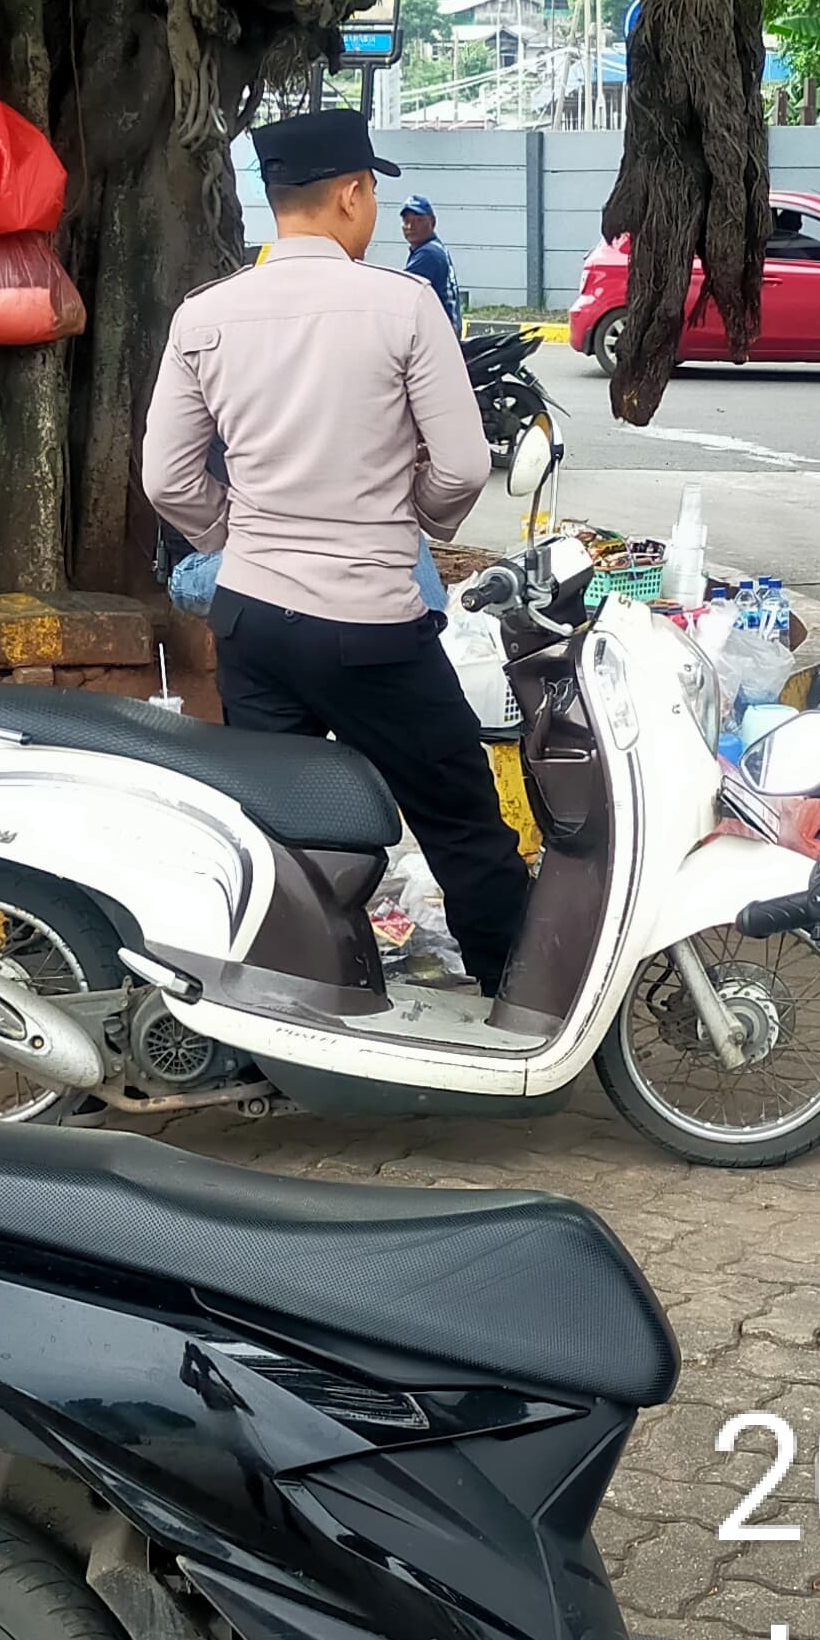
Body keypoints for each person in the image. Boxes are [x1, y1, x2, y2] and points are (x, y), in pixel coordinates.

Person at [143, 107, 532, 992]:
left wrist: (233, 536)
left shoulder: (205, 315)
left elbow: (167, 478)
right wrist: (414, 519)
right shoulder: (403, 307)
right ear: (353, 194)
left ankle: (292, 1005)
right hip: (372, 624)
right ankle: (515, 998)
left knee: (279, 836)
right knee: (460, 820)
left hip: (254, 623)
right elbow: (463, 465)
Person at [398, 194, 464, 330]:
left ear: (433, 222)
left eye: (418, 220)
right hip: (445, 330)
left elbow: (402, 293)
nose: (410, 226)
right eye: (406, 221)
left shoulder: (428, 254)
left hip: (441, 334)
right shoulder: (433, 247)